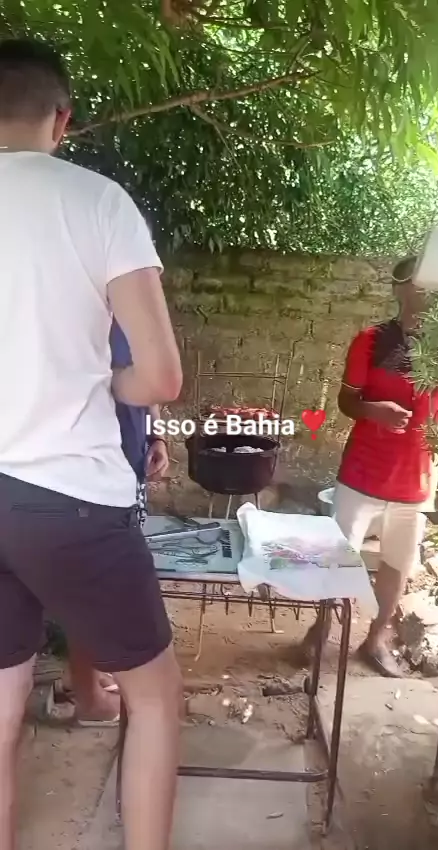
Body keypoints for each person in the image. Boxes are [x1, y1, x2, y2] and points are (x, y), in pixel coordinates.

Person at [0, 38, 182, 850]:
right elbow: (160, 377)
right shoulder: (98, 203)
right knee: (156, 697)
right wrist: (100, 381)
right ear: (62, 119)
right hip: (70, 497)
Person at [303, 256, 438, 677]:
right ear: (399, 290)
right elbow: (347, 400)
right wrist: (373, 410)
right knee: (337, 558)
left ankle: (375, 639)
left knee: (399, 563)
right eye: (415, 283)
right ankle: (321, 630)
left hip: (417, 479)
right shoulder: (371, 341)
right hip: (362, 473)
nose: (423, 292)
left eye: (431, 284)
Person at [60, 319, 170, 724]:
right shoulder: (72, 313)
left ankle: (90, 671)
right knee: (88, 583)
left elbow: (151, 383)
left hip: (126, 463)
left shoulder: (127, 316)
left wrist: (156, 435)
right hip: (85, 473)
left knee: (103, 581)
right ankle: (87, 693)